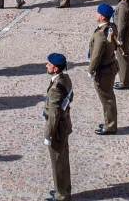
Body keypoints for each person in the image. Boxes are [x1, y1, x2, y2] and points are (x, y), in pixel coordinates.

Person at [43, 52, 73, 201]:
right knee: (62, 160)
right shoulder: (65, 79)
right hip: (64, 124)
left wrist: (48, 135)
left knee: (58, 163)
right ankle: (63, 189)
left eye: (49, 64)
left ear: (55, 69)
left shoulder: (56, 88)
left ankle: (61, 195)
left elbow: (53, 115)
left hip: (57, 129)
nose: (46, 66)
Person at [88, 3, 118, 135]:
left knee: (107, 99)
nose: (96, 15)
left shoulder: (101, 35)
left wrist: (91, 70)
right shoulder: (111, 27)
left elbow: (96, 56)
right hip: (111, 65)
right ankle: (109, 121)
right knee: (108, 97)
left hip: (103, 71)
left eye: (97, 13)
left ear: (101, 16)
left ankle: (110, 126)